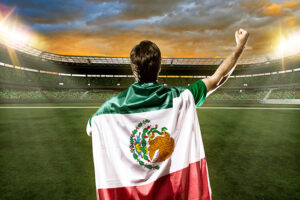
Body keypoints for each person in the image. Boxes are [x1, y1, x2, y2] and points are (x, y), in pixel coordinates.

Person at [86, 29, 249, 200]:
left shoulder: (109, 109)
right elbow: (217, 79)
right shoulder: (180, 98)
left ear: (133, 69)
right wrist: (240, 46)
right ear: (159, 67)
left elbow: (90, 128)